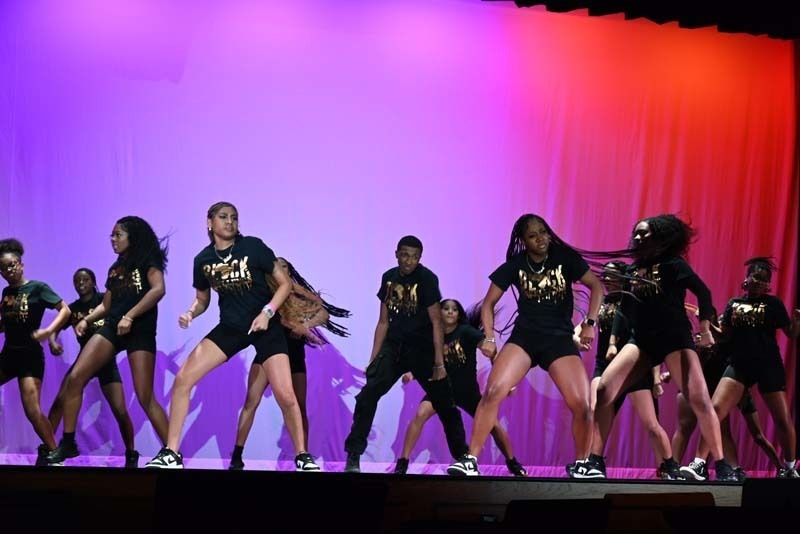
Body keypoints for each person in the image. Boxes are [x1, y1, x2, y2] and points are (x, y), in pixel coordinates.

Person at [144, 202, 319, 471]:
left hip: (265, 326)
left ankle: (302, 455)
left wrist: (268, 313)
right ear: (210, 223)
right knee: (182, 380)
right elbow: (202, 300)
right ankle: (171, 453)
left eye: (234, 217)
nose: (229, 222)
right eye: (223, 217)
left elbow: (284, 284)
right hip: (231, 328)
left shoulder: (253, 246)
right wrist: (191, 313)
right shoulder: (203, 260)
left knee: (286, 394)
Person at [448, 213, 603, 477]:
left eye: (543, 231)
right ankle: (470, 460)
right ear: (524, 240)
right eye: (533, 235)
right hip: (525, 337)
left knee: (583, 405)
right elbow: (488, 304)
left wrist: (590, 322)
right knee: (494, 390)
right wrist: (488, 338)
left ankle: (581, 464)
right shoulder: (516, 264)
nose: (541, 238)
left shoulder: (563, 257)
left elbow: (596, 286)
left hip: (559, 339)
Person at [587, 214, 736, 481]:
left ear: (660, 237)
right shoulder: (632, 271)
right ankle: (595, 461)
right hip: (642, 341)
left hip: (674, 337)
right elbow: (625, 310)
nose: (639, 237)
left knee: (699, 401)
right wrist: (612, 342)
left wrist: (703, 330)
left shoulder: (673, 264)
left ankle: (722, 465)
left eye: (645, 233)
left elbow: (703, 293)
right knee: (602, 390)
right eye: (636, 233)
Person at [47, 216, 170, 465]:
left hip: (140, 328)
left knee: (145, 396)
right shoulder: (115, 267)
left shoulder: (147, 258)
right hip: (114, 325)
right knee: (75, 378)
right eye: (111, 236)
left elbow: (158, 290)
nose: (113, 240)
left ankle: (172, 451)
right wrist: (87, 320)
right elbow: (106, 304)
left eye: (118, 235)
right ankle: (68, 442)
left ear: (131, 236)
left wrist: (131, 316)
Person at [343, 235, 468, 473]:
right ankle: (354, 455)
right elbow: (382, 322)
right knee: (368, 395)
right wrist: (373, 359)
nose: (409, 261)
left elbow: (436, 322)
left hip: (422, 351)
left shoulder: (428, 279)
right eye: (405, 255)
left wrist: (439, 363)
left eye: (414, 256)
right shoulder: (388, 278)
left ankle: (463, 456)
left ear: (420, 258)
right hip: (394, 348)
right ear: (397, 253)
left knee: (444, 402)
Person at [682, 257, 800, 479]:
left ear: (768, 285)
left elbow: (791, 334)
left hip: (768, 365)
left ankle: (790, 466)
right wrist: (707, 323)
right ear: (746, 280)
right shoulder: (733, 304)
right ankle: (698, 463)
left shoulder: (773, 304)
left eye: (763, 279)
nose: (757, 281)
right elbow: (724, 337)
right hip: (739, 364)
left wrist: (796, 323)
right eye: (754, 276)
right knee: (715, 409)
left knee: (782, 418)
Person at [229, 256, 350, 470]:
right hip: (269, 353)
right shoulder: (264, 295)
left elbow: (321, 310)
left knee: (299, 407)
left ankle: (303, 454)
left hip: (293, 355)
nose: (280, 270)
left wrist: (303, 324)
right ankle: (237, 454)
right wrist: (294, 323)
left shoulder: (295, 295)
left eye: (284, 267)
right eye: (276, 267)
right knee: (251, 401)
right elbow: (276, 319)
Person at [393, 299, 526, 476]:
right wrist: (411, 374)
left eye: (454, 310)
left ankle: (512, 462)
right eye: (446, 309)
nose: (449, 312)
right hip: (441, 390)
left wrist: (502, 377)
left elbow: (491, 350)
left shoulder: (466, 332)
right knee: (420, 414)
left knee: (492, 425)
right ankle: (403, 461)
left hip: (467, 391)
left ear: (458, 314)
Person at [584, 261, 679, 480]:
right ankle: (591, 462)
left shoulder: (635, 303)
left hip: (634, 372)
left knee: (651, 423)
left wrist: (655, 378)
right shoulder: (602, 304)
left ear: (623, 278)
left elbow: (648, 343)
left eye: (612, 275)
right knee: (594, 412)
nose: (607, 280)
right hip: (604, 367)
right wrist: (577, 336)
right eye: (604, 276)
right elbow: (583, 326)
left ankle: (669, 465)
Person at [670, 306, 782, 481]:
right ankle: (673, 468)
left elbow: (734, 356)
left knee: (725, 431)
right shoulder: (696, 339)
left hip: (718, 389)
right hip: (694, 387)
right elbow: (688, 360)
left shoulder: (726, 339)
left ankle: (736, 469)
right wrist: (669, 373)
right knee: (685, 427)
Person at [46, 268, 138, 468]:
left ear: (93, 282)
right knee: (60, 401)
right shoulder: (72, 309)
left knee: (120, 411)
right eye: (77, 280)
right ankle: (49, 449)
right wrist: (53, 342)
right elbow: (54, 329)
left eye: (85, 279)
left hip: (105, 361)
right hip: (84, 360)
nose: (81, 283)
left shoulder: (105, 300)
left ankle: (131, 452)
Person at [0, 238, 70, 464]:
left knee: (32, 411)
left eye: (11, 265)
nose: (7, 271)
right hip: (9, 354)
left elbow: (65, 310)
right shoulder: (6, 292)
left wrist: (48, 331)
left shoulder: (38, 288)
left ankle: (54, 453)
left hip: (29, 357)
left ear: (21, 264)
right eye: (2, 268)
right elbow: (6, 323)